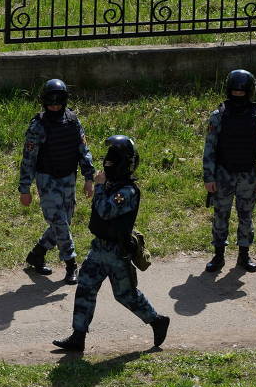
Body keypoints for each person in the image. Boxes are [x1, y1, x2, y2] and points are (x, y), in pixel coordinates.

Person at [52, 135, 170, 352]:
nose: (108, 161)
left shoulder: (128, 191)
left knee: (125, 295)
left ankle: (157, 320)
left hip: (117, 253)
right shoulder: (113, 184)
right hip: (99, 248)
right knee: (86, 288)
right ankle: (78, 337)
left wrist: (98, 187)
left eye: (113, 158)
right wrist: (102, 185)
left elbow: (105, 211)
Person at [19, 79, 95, 284]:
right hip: (47, 179)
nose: (54, 106)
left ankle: (38, 253)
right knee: (60, 222)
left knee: (64, 221)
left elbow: (83, 150)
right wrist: (24, 189)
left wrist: (89, 178)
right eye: (50, 102)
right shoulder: (38, 126)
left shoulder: (72, 121)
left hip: (69, 177)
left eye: (58, 102)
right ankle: (71, 264)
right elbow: (28, 159)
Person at [202, 70, 256, 274]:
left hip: (248, 175)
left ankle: (244, 255)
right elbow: (210, 147)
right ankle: (218, 255)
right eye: (235, 93)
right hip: (223, 173)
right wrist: (209, 176)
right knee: (220, 215)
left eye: (241, 93)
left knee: (246, 215)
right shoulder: (218, 116)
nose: (238, 97)